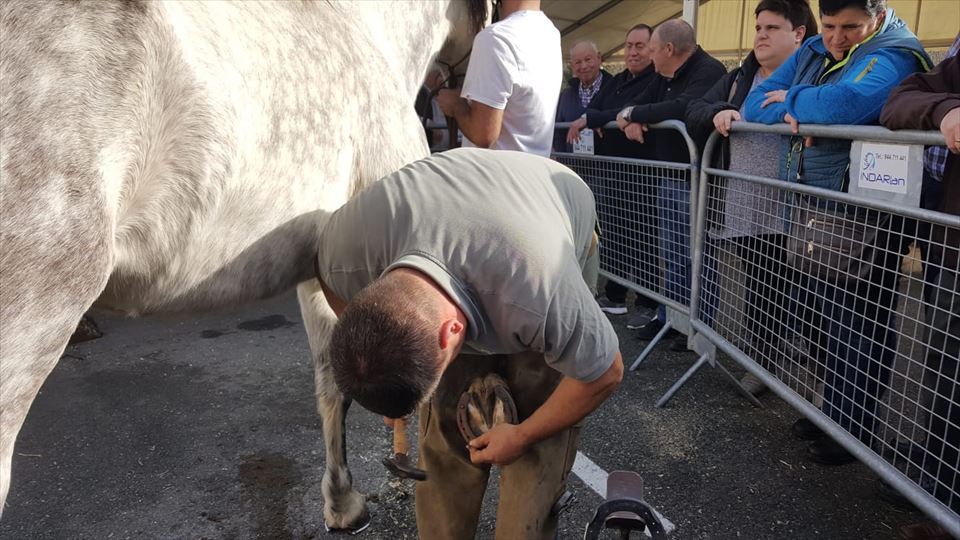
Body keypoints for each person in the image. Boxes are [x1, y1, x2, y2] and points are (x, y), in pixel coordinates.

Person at [315, 148, 624, 539]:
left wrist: (523, 434)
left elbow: (604, 372)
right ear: (369, 291)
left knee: (534, 454)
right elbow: (327, 276)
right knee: (445, 437)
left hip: (542, 213)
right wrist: (379, 366)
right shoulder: (344, 247)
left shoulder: (544, 293)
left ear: (451, 333)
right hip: (476, 232)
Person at [743, 0, 931, 465]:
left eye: (851, 27)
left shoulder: (895, 53)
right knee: (825, 312)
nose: (836, 38)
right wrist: (811, 115)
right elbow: (752, 105)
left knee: (860, 318)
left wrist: (792, 105)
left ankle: (853, 429)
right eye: (829, 26)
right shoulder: (812, 47)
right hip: (816, 199)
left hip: (865, 209)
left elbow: (852, 102)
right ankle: (834, 413)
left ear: (880, 16)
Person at [685, 0, 817, 395]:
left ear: (799, 34)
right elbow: (694, 108)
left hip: (797, 210)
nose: (760, 34)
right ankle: (760, 363)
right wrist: (720, 110)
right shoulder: (740, 78)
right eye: (759, 27)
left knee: (811, 301)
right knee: (759, 291)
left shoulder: (813, 78)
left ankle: (816, 383)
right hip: (745, 209)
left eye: (772, 28)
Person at [880, 46, 959, 540]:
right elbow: (899, 100)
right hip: (953, 245)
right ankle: (941, 489)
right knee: (946, 365)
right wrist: (947, 108)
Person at [616, 19, 727, 351]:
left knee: (699, 257)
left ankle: (699, 327)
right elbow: (644, 103)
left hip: (698, 181)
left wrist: (635, 113)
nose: (648, 56)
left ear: (668, 49)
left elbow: (683, 108)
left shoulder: (708, 71)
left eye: (651, 49)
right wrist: (632, 115)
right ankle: (672, 319)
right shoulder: (663, 75)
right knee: (674, 255)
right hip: (671, 179)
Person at [566, 24, 663, 329]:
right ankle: (616, 295)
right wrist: (600, 117)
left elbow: (629, 110)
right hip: (617, 171)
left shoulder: (656, 79)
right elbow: (598, 108)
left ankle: (647, 302)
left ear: (654, 48)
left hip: (646, 172)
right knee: (618, 231)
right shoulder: (619, 79)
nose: (633, 52)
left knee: (646, 237)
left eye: (640, 45)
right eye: (629, 45)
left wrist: (599, 118)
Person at [437, 0, 561, 157]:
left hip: (493, 176)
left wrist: (456, 105)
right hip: (534, 172)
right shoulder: (551, 33)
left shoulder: (496, 37)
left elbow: (484, 135)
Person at [554, 40, 612, 152]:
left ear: (599, 58)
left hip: (608, 167)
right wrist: (563, 161)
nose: (584, 66)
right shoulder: (566, 96)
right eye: (578, 62)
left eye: (588, 59)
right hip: (572, 167)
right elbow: (558, 134)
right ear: (572, 66)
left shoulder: (615, 89)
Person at [415, 65, 450, 151]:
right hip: (429, 148)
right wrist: (431, 125)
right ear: (429, 76)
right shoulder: (419, 94)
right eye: (439, 75)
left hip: (446, 150)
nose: (442, 79)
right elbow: (410, 115)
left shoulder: (441, 94)